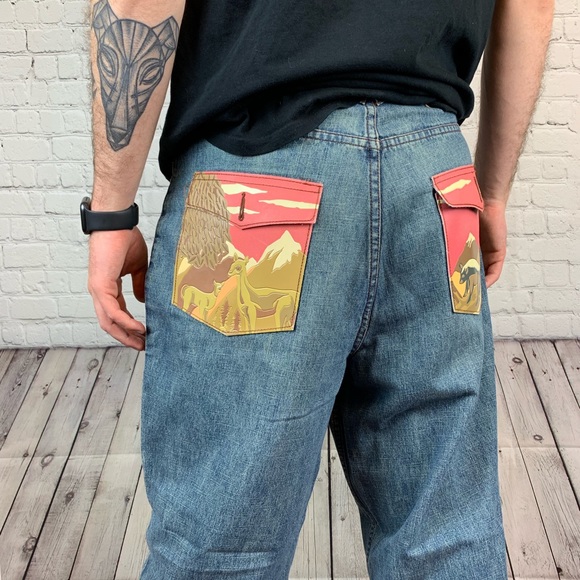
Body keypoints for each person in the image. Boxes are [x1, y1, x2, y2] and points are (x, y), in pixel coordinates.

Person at [84, 0, 554, 577]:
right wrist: (494, 192)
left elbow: (138, 7)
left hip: (255, 185)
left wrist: (110, 213)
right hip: (437, 185)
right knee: (444, 543)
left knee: (219, 548)